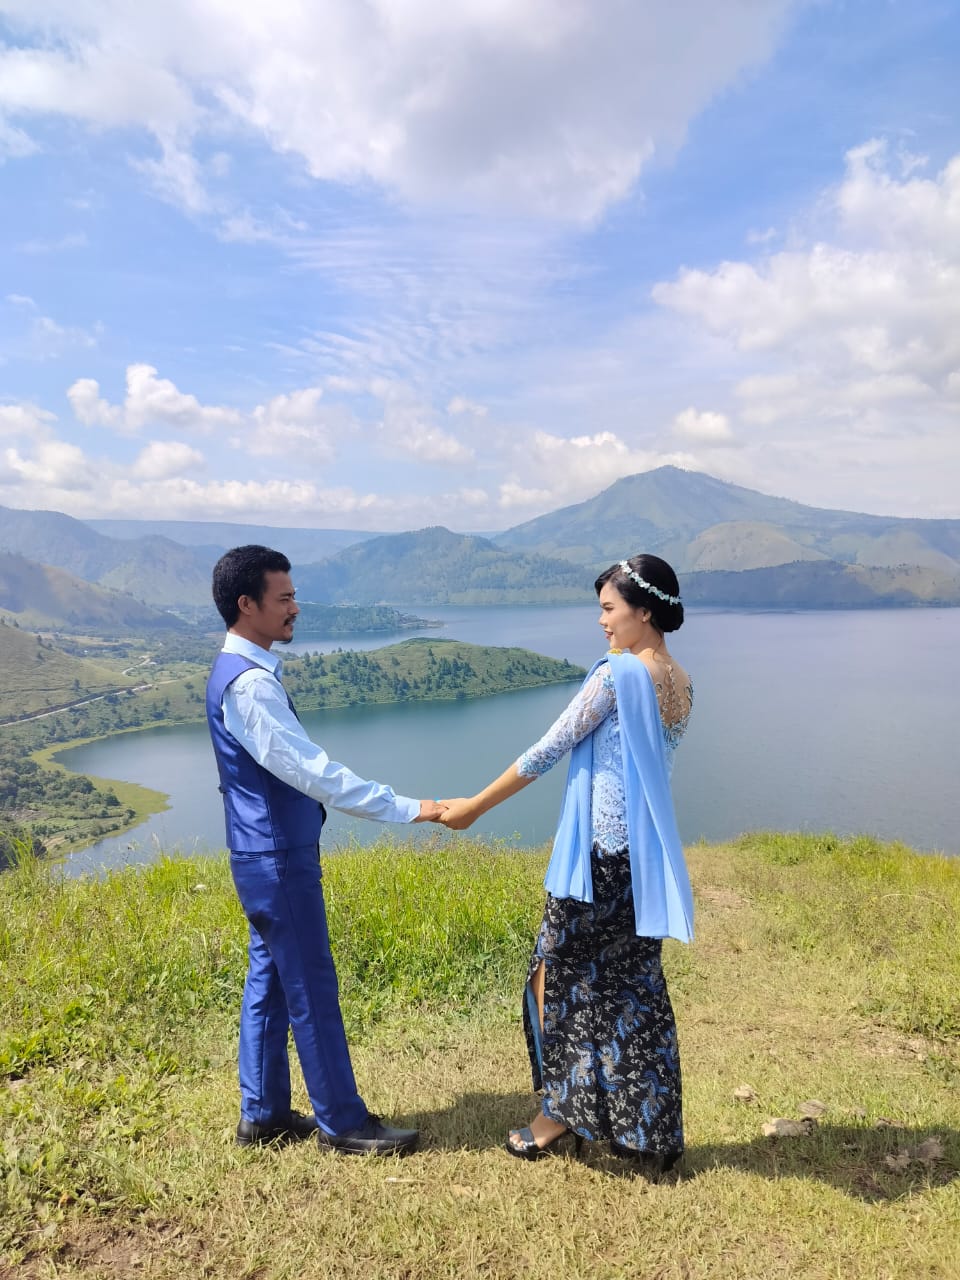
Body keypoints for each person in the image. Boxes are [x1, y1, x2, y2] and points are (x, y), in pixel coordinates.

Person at [440, 554, 694, 1168]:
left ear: (644, 611)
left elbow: (549, 748)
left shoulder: (617, 675)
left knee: (555, 978)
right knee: (635, 989)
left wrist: (474, 806)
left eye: (609, 609)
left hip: (599, 858)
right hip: (644, 863)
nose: (601, 622)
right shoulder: (681, 680)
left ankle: (558, 1115)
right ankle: (649, 1133)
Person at [206, 545, 442, 1157]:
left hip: (258, 854)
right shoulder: (251, 687)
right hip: (278, 858)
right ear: (247, 604)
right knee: (311, 986)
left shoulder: (235, 671)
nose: (295, 608)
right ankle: (343, 1122)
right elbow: (314, 773)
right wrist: (410, 807)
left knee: (270, 981)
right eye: (283, 598)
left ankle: (262, 1114)